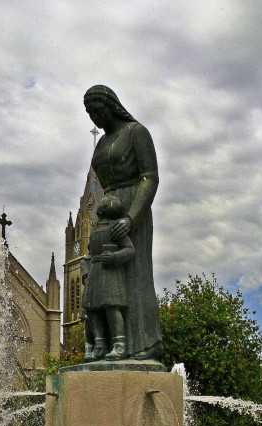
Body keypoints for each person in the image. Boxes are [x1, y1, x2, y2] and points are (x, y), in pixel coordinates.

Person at [84, 85, 163, 360]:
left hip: (132, 208)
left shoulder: (136, 132)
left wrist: (131, 218)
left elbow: (150, 177)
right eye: (90, 114)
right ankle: (105, 345)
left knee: (135, 276)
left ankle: (143, 343)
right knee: (104, 279)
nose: (95, 118)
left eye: (98, 111)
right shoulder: (104, 142)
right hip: (108, 210)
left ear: (111, 105)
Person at [82, 195, 135, 361]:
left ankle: (120, 345)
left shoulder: (116, 228)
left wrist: (114, 257)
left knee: (112, 308)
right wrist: (86, 272)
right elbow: (88, 255)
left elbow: (129, 250)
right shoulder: (95, 229)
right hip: (95, 272)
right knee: (92, 309)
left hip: (110, 272)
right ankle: (100, 345)